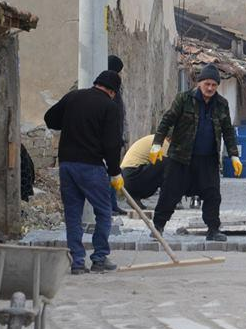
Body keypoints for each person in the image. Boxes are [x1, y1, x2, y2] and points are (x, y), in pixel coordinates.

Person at [150, 64, 243, 242]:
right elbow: (167, 120)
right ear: (200, 83)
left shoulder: (222, 104)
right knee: (170, 192)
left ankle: (213, 229)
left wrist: (234, 155)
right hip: (181, 156)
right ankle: (158, 226)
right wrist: (157, 144)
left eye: (214, 85)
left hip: (208, 159)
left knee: (213, 194)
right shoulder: (184, 99)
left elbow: (228, 131)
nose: (210, 88)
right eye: (207, 84)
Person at [43, 70, 124, 274]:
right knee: (104, 211)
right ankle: (99, 258)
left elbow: (50, 119)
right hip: (91, 166)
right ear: (113, 91)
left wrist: (72, 122)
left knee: (72, 214)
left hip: (67, 165)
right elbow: (112, 144)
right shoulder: (109, 106)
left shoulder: (74, 96)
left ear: (96, 83)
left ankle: (77, 262)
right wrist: (115, 172)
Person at [108, 54, 129, 216]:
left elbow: (122, 114)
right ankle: (108, 205)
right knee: (109, 173)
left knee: (114, 173)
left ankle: (113, 204)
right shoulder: (107, 89)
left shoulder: (116, 88)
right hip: (108, 139)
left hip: (117, 138)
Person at [120, 134, 169, 204]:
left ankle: (134, 197)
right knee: (167, 162)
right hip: (132, 176)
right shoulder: (163, 143)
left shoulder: (155, 138)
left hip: (126, 178)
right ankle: (167, 200)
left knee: (160, 163)